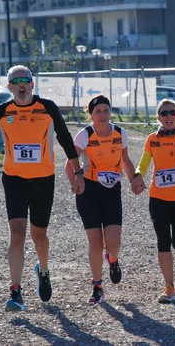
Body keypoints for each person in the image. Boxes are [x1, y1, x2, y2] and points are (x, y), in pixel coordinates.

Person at [0, 65, 82, 312]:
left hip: (43, 180)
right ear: (9, 87)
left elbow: (65, 139)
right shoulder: (3, 111)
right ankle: (15, 292)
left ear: (32, 84)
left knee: (39, 236)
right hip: (14, 179)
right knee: (17, 234)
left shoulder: (47, 108)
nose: (21, 85)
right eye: (16, 81)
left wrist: (78, 172)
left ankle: (43, 270)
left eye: (25, 80)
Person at [64, 95, 138, 305]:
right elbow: (69, 165)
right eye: (98, 111)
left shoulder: (120, 133)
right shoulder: (84, 135)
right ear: (91, 114)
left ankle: (112, 259)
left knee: (113, 243)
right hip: (89, 192)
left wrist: (134, 180)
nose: (103, 115)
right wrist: (76, 185)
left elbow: (125, 160)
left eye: (106, 110)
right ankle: (97, 287)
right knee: (95, 243)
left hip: (112, 191)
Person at [130, 99, 175, 303]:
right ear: (158, 117)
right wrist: (138, 175)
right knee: (163, 241)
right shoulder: (152, 139)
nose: (169, 117)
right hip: (158, 198)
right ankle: (170, 288)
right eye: (164, 113)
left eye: (172, 113)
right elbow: (144, 162)